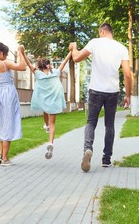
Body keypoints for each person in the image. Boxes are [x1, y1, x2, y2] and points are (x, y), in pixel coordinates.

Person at [69, 23, 132, 172]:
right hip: (112, 91)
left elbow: (76, 58)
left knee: (91, 122)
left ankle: (87, 150)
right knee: (109, 125)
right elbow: (128, 74)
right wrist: (128, 95)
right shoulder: (121, 48)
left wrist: (73, 48)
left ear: (102, 31)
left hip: (96, 90)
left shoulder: (95, 42)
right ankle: (106, 159)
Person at [20, 46, 71, 159]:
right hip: (54, 100)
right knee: (53, 123)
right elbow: (64, 62)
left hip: (44, 100)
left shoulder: (38, 74)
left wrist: (23, 53)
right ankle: (50, 143)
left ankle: (46, 125)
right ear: (49, 65)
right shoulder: (56, 72)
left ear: (39, 66)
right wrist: (70, 52)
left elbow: (28, 64)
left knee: (45, 110)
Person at [0, 42, 26, 166]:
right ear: (0, 53)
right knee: (8, 123)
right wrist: (20, 52)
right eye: (6, 54)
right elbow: (22, 67)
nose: (7, 57)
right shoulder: (5, 63)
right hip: (8, 93)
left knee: (1, 123)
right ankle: (5, 159)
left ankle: (0, 154)